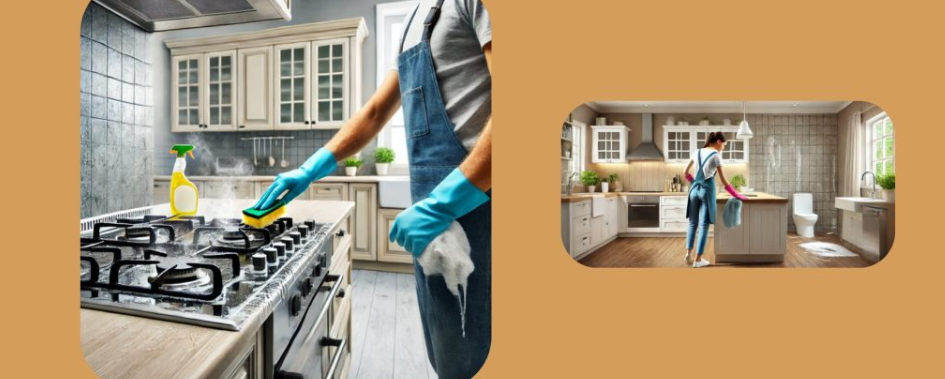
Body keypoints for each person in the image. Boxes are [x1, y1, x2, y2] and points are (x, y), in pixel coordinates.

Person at [252, 1, 492, 377]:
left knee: (476, 347)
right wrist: (310, 169)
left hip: (480, 208)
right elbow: (376, 112)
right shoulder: (416, 20)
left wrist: (443, 204)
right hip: (439, 213)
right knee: (447, 346)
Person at [682, 132, 747, 268]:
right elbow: (724, 181)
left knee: (693, 223)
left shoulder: (697, 152)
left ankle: (688, 253)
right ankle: (698, 259)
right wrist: (736, 195)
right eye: (724, 145)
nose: (723, 148)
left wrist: (695, 182)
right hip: (707, 190)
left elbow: (685, 172)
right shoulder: (716, 156)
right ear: (718, 141)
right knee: (704, 225)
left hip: (694, 190)